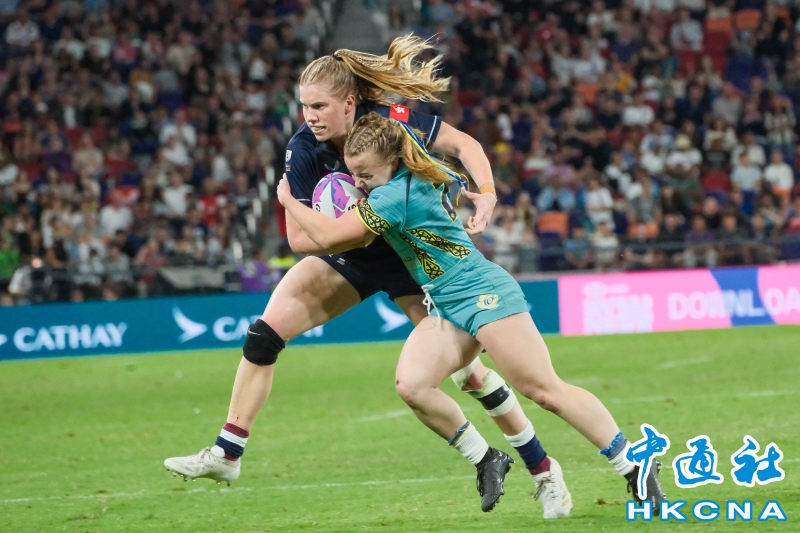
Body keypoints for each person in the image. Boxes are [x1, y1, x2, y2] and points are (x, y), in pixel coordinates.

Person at [165, 36, 572, 518]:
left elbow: (464, 144)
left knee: (469, 374)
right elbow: (299, 240)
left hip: (413, 258)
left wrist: (486, 191)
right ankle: (227, 453)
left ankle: (543, 470)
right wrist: (345, 228)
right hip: (347, 252)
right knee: (262, 337)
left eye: (320, 106)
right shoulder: (303, 149)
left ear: (350, 102)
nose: (310, 117)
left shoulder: (390, 123)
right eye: (304, 107)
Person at [277, 112, 666, 508]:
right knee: (413, 386)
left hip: (481, 292)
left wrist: (290, 200)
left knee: (544, 390)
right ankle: (487, 458)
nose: (357, 183)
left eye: (365, 175)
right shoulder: (412, 177)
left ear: (391, 162)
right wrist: (479, 192)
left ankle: (633, 463)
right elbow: (455, 163)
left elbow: (327, 237)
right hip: (445, 304)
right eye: (354, 174)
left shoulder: (392, 197)